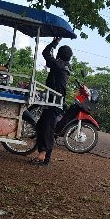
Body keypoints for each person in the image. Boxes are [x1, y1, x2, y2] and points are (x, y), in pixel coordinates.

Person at [30, 37, 73, 165]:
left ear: (59, 54)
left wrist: (55, 42)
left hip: (54, 101)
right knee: (42, 126)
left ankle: (43, 156)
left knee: (47, 128)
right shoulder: (65, 66)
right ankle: (44, 157)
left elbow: (45, 53)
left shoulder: (58, 65)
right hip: (55, 100)